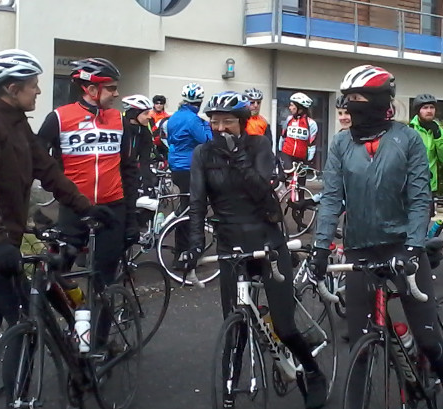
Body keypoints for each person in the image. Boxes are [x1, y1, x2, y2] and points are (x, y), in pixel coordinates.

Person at [0, 49, 112, 409]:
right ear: (13, 88)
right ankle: (16, 398)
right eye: (33, 86)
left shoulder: (15, 122)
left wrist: (86, 208)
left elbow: (48, 171)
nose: (37, 92)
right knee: (22, 319)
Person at [310, 64, 443, 409]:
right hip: (359, 253)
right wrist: (320, 247)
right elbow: (332, 197)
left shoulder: (406, 139)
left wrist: (413, 245)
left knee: (427, 338)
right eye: (347, 100)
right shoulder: (340, 144)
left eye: (358, 98)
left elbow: (420, 197)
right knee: (360, 349)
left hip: (403, 249)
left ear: (380, 101)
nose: (351, 105)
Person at [177, 91, 328, 408]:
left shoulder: (258, 146)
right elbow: (196, 204)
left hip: (267, 241)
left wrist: (239, 157)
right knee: (235, 331)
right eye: (215, 122)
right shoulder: (203, 154)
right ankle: (228, 393)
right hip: (231, 242)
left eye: (228, 121)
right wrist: (192, 246)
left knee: (285, 328)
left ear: (242, 123)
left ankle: (312, 373)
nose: (220, 128)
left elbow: (262, 190)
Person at [36, 58, 141, 357]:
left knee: (106, 281)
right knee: (54, 274)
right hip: (74, 209)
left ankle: (100, 342)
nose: (116, 94)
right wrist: (55, 184)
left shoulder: (120, 120)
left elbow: (129, 170)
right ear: (90, 89)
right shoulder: (58, 117)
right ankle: (75, 321)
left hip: (113, 209)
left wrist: (131, 219)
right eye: (110, 88)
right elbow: (38, 157)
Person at [166, 82, 212, 285]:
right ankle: (187, 254)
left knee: (185, 209)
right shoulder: (194, 120)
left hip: (176, 166)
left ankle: (181, 253)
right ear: (199, 102)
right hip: (190, 167)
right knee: (193, 211)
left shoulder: (174, 117)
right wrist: (208, 126)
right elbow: (206, 140)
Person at [409, 93, 443, 215]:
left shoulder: (439, 130)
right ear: (418, 111)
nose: (429, 111)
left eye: (431, 107)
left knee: (425, 222)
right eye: (425, 108)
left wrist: (438, 137)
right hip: (411, 185)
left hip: (430, 186)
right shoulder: (410, 130)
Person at [122, 94, 158, 199]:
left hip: (135, 180)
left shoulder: (144, 131)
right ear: (134, 114)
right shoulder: (121, 129)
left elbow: (145, 161)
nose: (149, 116)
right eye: (146, 113)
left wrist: (148, 184)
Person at [280, 92, 319, 187]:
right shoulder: (289, 120)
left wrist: (309, 161)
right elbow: (283, 137)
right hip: (287, 154)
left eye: (292, 105)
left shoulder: (311, 123)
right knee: (282, 178)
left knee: (300, 187)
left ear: (299, 108)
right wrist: (279, 151)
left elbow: (312, 143)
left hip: (302, 157)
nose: (289, 108)